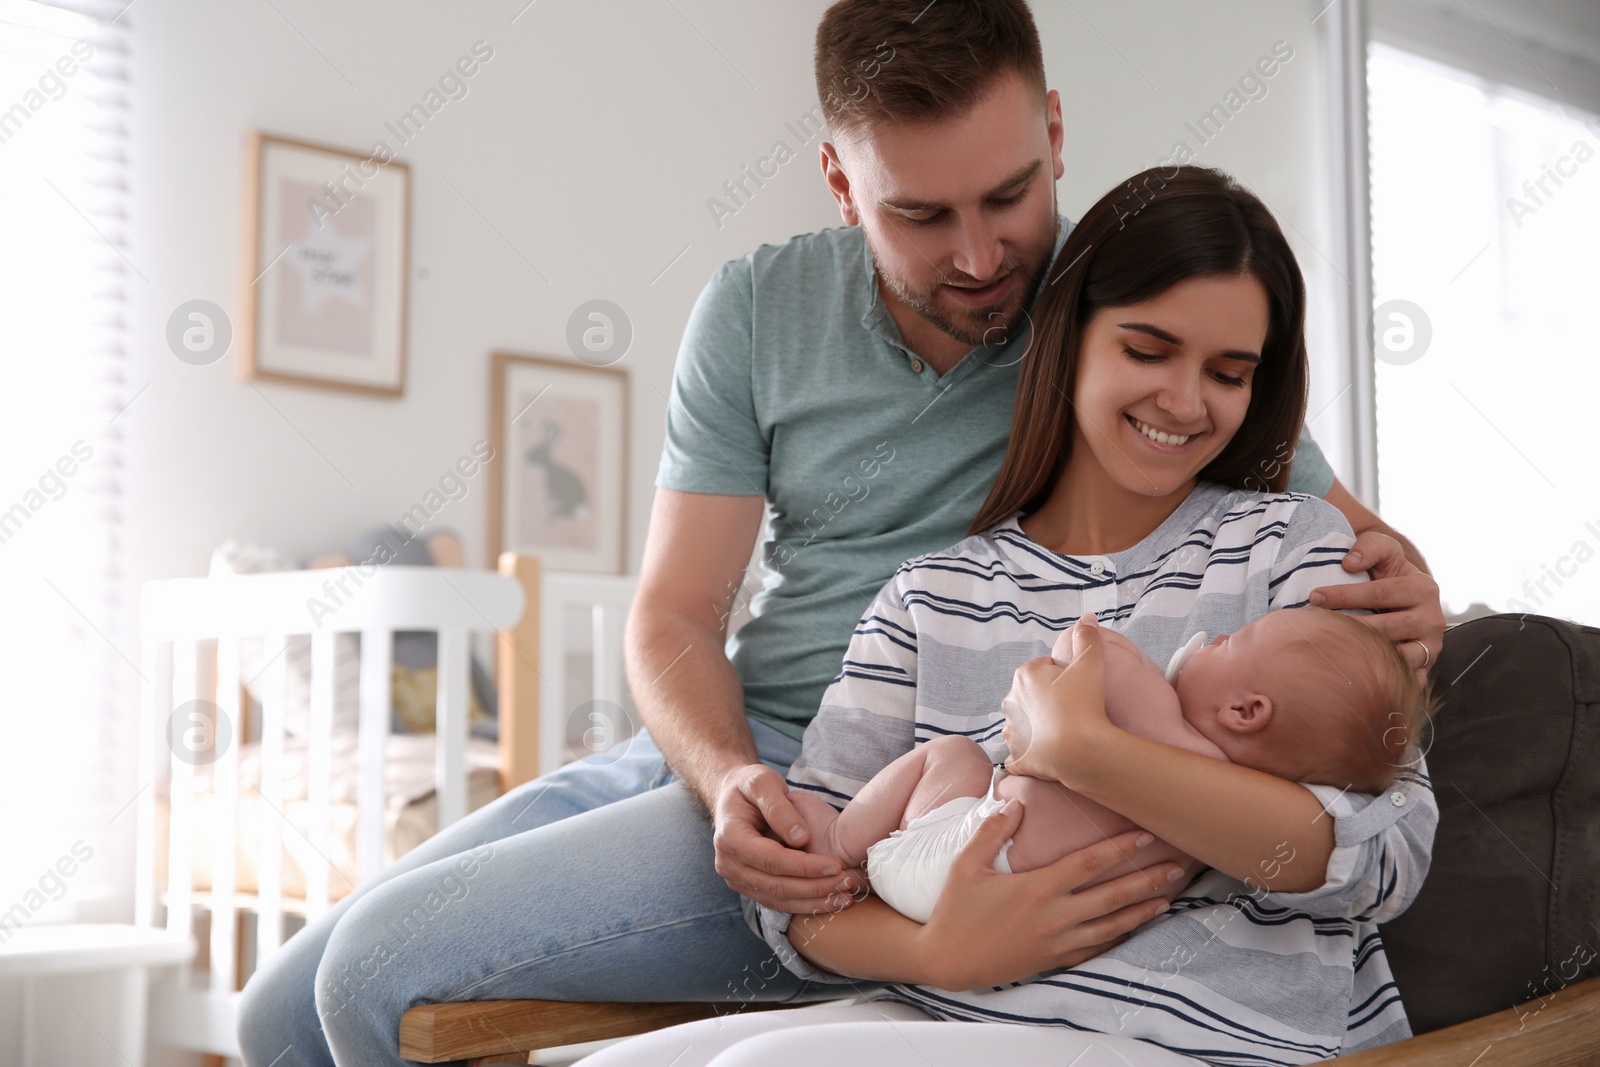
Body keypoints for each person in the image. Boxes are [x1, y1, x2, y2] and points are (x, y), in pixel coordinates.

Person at [235, 4, 1446, 1064]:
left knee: (373, 974)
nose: (979, 257)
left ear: (1055, 136)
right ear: (837, 180)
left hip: (882, 788)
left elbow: (1311, 518)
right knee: (271, 1013)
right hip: (738, 764)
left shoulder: (1111, 302)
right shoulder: (760, 309)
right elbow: (673, 613)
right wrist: (725, 783)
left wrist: (1406, 588)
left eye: (1010, 195)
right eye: (922, 215)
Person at [578, 164, 1440, 1067]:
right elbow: (803, 890)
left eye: (1228, 373)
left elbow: (1386, 854)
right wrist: (934, 949)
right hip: (947, 1010)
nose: (1186, 403)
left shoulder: (1296, 551)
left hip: (1201, 1038)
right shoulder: (931, 596)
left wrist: (1092, 752)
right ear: (1068, 340)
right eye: (1147, 351)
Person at [789, 606, 1431, 926]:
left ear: (1245, 710)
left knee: (951, 754)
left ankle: (845, 841)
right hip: (984, 896)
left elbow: (1090, 643)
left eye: (1232, 641)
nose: (1208, 640)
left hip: (954, 856)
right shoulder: (1232, 807)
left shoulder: (1166, 733)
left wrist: (1082, 723)